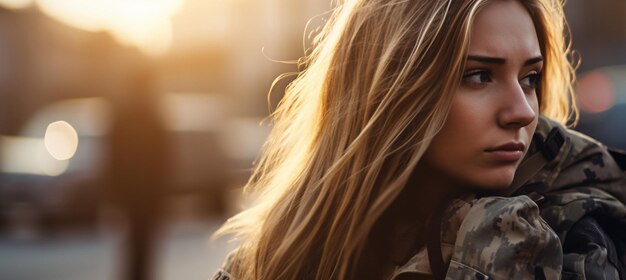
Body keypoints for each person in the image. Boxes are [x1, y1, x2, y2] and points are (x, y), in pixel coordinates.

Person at [212, 0, 626, 279]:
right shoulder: (286, 245)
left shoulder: (577, 234)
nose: (522, 111)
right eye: (479, 75)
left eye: (530, 79)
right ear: (393, 92)